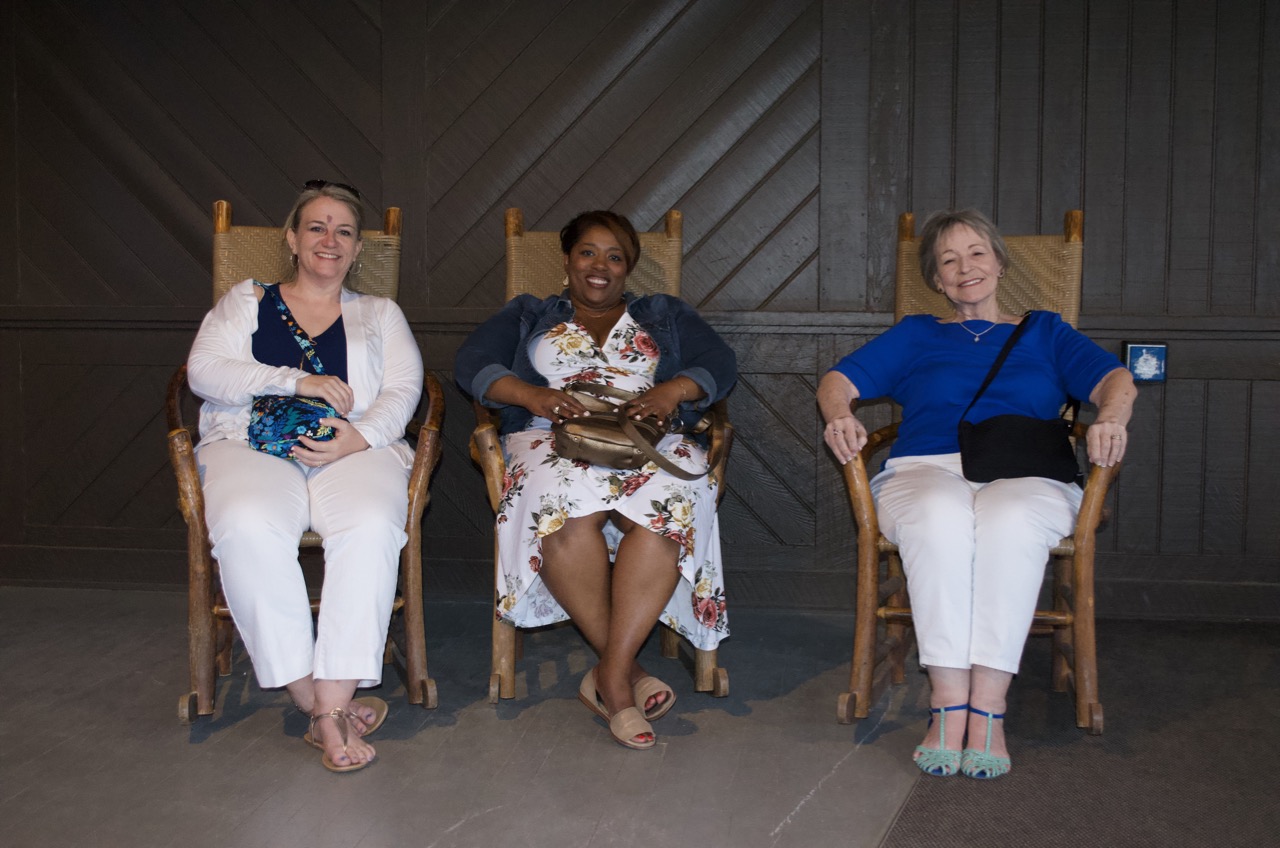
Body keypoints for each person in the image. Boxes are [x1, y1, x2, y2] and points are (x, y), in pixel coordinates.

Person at [818, 209, 1136, 779]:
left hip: (1028, 470)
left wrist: (1110, 417)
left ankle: (987, 708)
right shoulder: (918, 333)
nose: (965, 268)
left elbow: (1115, 380)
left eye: (977, 253)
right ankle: (947, 704)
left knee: (1010, 521)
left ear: (1000, 263)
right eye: (948, 260)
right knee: (939, 519)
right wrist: (839, 412)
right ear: (937, 280)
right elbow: (838, 380)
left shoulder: (1045, 331)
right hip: (926, 467)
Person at [455, 210, 736, 749]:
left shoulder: (664, 314)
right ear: (567, 260)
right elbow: (473, 363)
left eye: (614, 256)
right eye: (588, 252)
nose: (599, 266)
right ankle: (623, 674)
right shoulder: (528, 314)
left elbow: (718, 363)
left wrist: (670, 392)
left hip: (646, 437)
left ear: (629, 267)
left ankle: (609, 672)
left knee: (670, 507)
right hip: (547, 434)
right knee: (559, 506)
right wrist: (532, 396)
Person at [187, 181, 423, 773]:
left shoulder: (380, 314)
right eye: (316, 227)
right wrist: (296, 380)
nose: (329, 240)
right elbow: (204, 371)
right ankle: (312, 702)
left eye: (343, 231)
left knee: (371, 524)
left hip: (353, 447)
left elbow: (402, 389)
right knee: (244, 524)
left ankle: (336, 698)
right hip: (250, 443)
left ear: (358, 249)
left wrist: (362, 437)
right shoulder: (246, 302)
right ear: (292, 239)